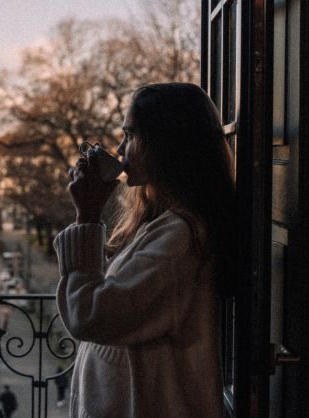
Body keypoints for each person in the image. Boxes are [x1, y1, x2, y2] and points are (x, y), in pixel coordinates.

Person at [54, 83, 236, 417]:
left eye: (131, 135)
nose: (121, 149)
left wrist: (88, 216)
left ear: (167, 144)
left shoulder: (179, 240)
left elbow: (91, 315)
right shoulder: (167, 225)